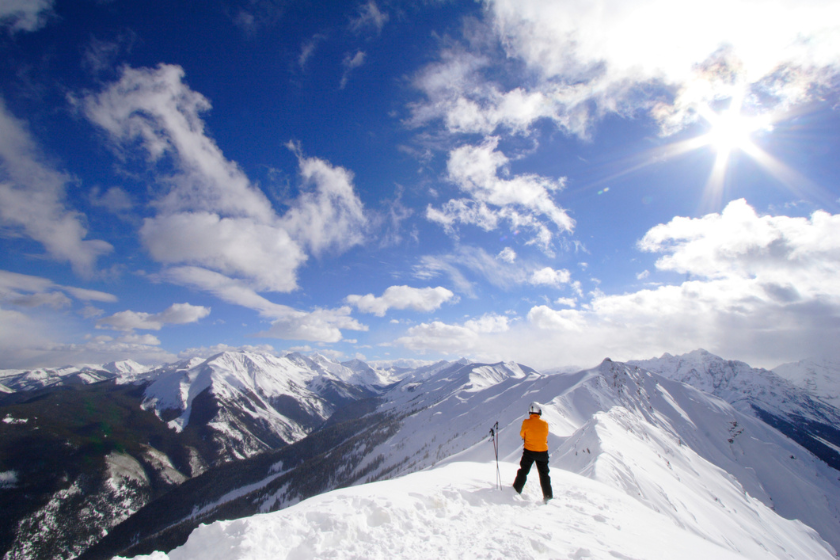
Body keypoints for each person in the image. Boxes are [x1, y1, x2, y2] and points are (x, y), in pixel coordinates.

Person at [513, 402, 553, 503]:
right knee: (544, 474)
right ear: (539, 413)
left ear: (530, 413)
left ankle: (516, 490)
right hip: (543, 451)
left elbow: (522, 434)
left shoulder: (526, 422)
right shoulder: (545, 423)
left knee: (523, 471)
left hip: (529, 451)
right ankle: (548, 496)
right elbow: (545, 434)